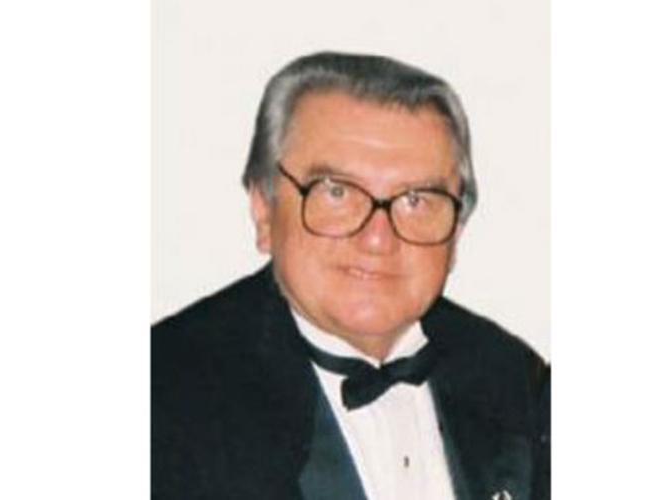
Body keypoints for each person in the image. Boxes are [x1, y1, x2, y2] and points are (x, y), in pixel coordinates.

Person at [152, 52, 549, 500]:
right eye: (337, 192)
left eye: (416, 199)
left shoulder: (515, 379)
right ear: (264, 209)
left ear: (456, 230)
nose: (377, 238)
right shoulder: (163, 393)